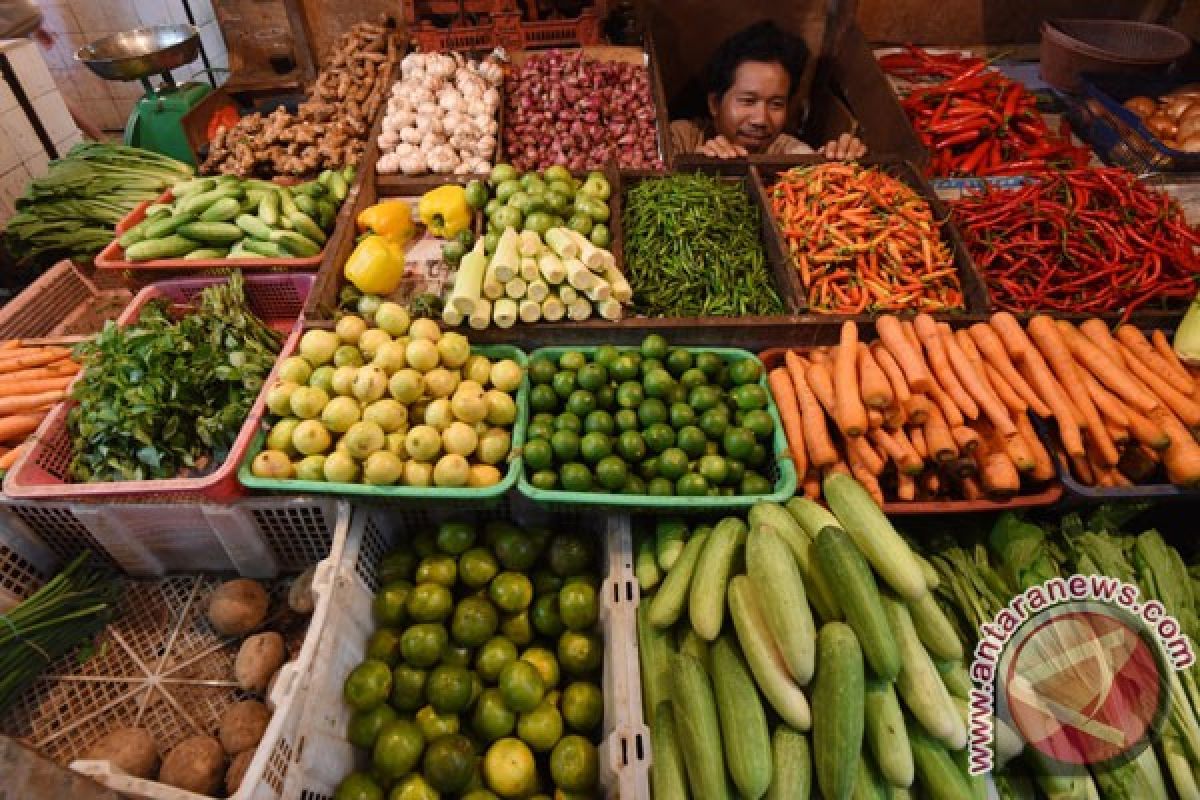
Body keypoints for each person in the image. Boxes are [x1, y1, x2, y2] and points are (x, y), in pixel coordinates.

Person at [670, 20, 867, 160]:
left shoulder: (791, 155)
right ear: (714, 104)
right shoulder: (681, 139)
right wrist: (696, 166)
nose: (761, 120)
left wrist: (840, 163)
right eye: (748, 101)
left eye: (776, 104)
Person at [0, 0, 104, 141]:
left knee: (35, 85)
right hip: (26, 13)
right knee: (42, 85)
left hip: (11, 20)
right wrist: (35, 27)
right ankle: (99, 137)